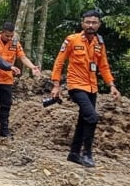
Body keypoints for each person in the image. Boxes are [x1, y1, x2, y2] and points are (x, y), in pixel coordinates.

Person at [50, 10, 120, 168]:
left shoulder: (99, 43)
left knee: (84, 120)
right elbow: (59, 62)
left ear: (99, 25)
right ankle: (87, 153)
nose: (91, 25)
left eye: (94, 23)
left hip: (92, 87)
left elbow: (104, 66)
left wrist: (112, 85)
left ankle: (74, 153)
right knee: (92, 117)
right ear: (82, 24)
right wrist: (56, 85)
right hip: (76, 85)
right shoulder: (72, 40)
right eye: (88, 22)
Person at [0, 21, 41, 138]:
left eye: (11, 36)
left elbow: (23, 57)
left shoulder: (15, 43)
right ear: (1, 33)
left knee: (6, 106)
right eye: (7, 36)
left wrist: (32, 67)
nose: (9, 38)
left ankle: (4, 131)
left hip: (7, 79)